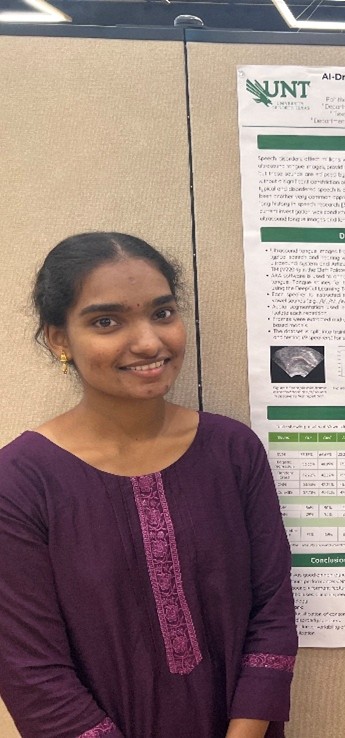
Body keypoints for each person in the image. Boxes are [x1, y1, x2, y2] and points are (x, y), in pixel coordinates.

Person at [0, 233, 298, 738]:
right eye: (106, 321)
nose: (148, 343)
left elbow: (272, 611)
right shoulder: (20, 481)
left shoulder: (233, 451)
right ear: (59, 339)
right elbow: (32, 673)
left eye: (162, 313)